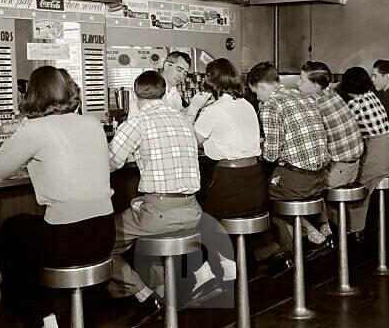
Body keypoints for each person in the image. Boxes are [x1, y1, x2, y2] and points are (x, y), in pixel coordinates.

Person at [0, 66, 115, 325]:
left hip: (68, 239)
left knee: (11, 230)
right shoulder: (92, 123)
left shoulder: (35, 128)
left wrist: (21, 130)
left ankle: (40, 315)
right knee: (26, 231)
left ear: (32, 94)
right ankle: (59, 312)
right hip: (104, 233)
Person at [108, 70, 202, 327]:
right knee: (147, 224)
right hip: (192, 209)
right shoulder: (184, 120)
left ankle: (143, 294)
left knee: (101, 240)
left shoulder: (137, 122)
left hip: (159, 212)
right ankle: (166, 294)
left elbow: (111, 162)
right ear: (163, 92)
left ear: (136, 96)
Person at [190, 58, 267, 299]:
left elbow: (190, 143)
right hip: (255, 183)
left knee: (196, 218)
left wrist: (193, 108)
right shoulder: (247, 105)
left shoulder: (212, 111)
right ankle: (240, 263)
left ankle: (213, 272)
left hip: (230, 182)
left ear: (211, 81)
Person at [247, 62, 330, 273]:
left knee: (259, 199)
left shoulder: (270, 105)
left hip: (298, 181)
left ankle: (289, 253)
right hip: (320, 178)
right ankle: (311, 235)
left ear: (263, 87)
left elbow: (271, 155)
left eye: (256, 93)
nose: (257, 98)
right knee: (275, 184)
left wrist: (258, 145)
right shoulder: (302, 96)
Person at [297, 61, 365, 242]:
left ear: (315, 85)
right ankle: (325, 226)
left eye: (302, 80)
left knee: (296, 188)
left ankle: (315, 234)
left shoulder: (313, 103)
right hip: (353, 167)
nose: (297, 84)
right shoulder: (332, 95)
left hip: (339, 171)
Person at [338, 67, 389, 234]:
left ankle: (353, 228)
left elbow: (344, 130)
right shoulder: (372, 96)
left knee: (356, 186)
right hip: (387, 151)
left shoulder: (354, 104)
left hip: (375, 156)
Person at [128, 51, 211, 122]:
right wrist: (193, 108)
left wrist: (197, 104)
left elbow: (179, 113)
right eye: (179, 69)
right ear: (167, 66)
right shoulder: (149, 85)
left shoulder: (174, 91)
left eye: (185, 73)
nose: (181, 76)